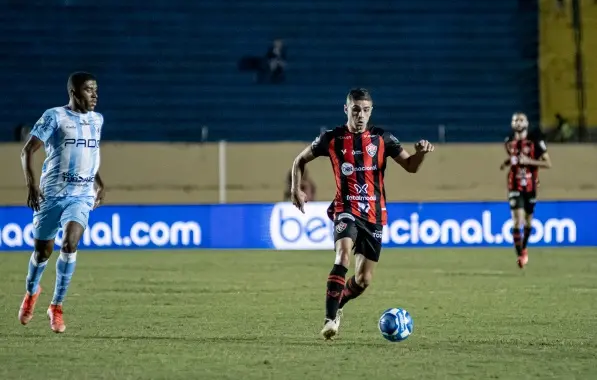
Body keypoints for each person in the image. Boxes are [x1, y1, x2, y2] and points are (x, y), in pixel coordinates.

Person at [289, 88, 435, 340]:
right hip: (345, 209)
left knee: (363, 280)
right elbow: (299, 160)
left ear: (371, 111)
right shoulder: (331, 138)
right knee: (343, 254)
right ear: (346, 109)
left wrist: (420, 154)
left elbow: (410, 166)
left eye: (366, 110)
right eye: (356, 109)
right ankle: (329, 319)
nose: (361, 115)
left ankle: (340, 305)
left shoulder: (383, 139)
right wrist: (296, 188)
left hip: (374, 217)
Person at [18, 71, 105, 333]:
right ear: (74, 92)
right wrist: (32, 184)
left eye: (96, 89)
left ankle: (56, 305)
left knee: (70, 243)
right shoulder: (55, 116)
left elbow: (90, 153)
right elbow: (27, 150)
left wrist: (98, 181)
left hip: (80, 195)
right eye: (89, 90)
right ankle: (32, 292)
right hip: (51, 195)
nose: (95, 95)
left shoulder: (97, 120)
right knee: (42, 252)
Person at [500, 112, 552, 269]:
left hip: (530, 185)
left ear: (527, 123)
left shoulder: (536, 141)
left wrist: (529, 161)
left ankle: (524, 248)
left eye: (521, 119)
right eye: (515, 119)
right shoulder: (508, 142)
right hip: (514, 185)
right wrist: (507, 163)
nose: (518, 122)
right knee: (517, 220)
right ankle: (520, 254)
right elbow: (515, 158)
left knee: (529, 221)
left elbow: (548, 163)